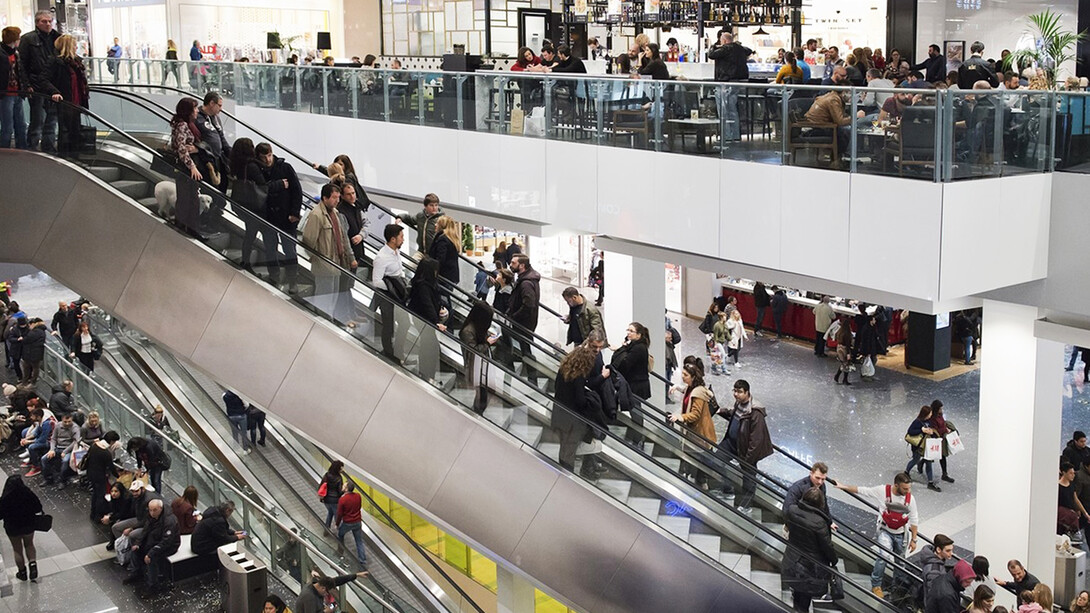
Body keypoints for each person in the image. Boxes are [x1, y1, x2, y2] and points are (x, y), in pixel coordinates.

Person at [834, 472, 920, 599]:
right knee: (883, 556)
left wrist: (914, 540)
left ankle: (897, 587)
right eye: (905, 488)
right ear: (896, 485)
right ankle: (876, 585)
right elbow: (863, 491)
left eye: (909, 488)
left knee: (900, 562)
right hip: (885, 530)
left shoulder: (910, 499)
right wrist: (844, 486)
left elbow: (914, 519)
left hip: (901, 533)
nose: (908, 491)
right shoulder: (883, 491)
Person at [302, 183, 357, 326]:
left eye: (338, 197)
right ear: (325, 198)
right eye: (334, 198)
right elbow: (308, 241)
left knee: (332, 298)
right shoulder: (316, 215)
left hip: (336, 263)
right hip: (324, 265)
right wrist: (317, 258)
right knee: (324, 299)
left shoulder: (336, 213)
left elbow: (342, 237)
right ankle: (322, 326)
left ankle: (329, 323)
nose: (337, 200)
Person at [716, 379, 772, 510]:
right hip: (731, 443)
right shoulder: (739, 403)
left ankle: (746, 505)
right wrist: (722, 411)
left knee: (748, 478)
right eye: (734, 391)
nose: (736, 394)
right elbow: (735, 415)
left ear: (747, 392)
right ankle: (727, 489)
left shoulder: (755, 412)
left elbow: (756, 440)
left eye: (739, 392)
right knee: (716, 459)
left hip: (745, 449)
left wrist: (748, 459)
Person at [782, 487, 838, 612]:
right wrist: (834, 560)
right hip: (811, 568)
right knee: (805, 598)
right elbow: (827, 547)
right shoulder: (819, 522)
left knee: (798, 595)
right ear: (820, 504)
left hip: (793, 560)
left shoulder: (792, 510)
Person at [256, 142, 302, 293]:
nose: (268, 160)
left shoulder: (285, 167)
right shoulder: (258, 170)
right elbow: (259, 189)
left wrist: (295, 213)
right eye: (264, 157)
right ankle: (274, 275)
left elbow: (296, 190)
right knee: (270, 248)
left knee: (290, 249)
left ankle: (292, 281)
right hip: (268, 216)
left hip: (286, 216)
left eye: (269, 155)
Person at [553, 345, 606, 476]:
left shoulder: (563, 370)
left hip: (559, 415)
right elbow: (580, 401)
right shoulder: (579, 376)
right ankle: (566, 477)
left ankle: (563, 475)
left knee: (565, 448)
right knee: (569, 451)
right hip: (573, 420)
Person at [667, 363, 716, 488]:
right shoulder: (691, 388)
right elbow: (686, 392)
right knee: (694, 455)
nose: (683, 377)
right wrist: (677, 387)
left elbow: (695, 414)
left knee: (700, 457)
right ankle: (694, 478)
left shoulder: (698, 393)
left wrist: (680, 417)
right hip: (694, 431)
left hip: (700, 433)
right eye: (683, 374)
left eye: (686, 375)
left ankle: (701, 481)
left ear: (693, 377)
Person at [19, 11, 60, 153]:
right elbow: (21, 64)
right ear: (37, 23)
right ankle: (33, 146)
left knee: (52, 119)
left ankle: (49, 146)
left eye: (50, 21)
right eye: (44, 21)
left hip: (53, 85)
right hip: (36, 84)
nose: (48, 24)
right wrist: (27, 84)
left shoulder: (58, 38)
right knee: (37, 119)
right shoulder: (28, 39)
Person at [127, 498, 180, 593]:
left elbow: (166, 541)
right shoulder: (152, 516)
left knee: (152, 558)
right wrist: (138, 543)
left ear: (160, 508)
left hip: (169, 545)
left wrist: (151, 553)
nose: (152, 513)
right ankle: (136, 572)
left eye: (154, 510)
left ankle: (153, 586)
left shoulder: (169, 520)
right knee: (135, 550)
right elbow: (146, 529)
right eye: (150, 510)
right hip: (154, 539)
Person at [407, 257, 447, 381]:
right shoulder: (423, 286)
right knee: (430, 346)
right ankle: (426, 374)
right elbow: (427, 304)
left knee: (429, 345)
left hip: (425, 319)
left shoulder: (426, 284)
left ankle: (426, 374)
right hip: (424, 320)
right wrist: (436, 322)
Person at [707, 30, 752, 141]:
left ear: (724, 41)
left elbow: (711, 55)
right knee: (733, 109)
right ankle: (735, 135)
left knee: (724, 109)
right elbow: (749, 50)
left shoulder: (725, 49)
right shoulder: (740, 48)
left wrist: (713, 46)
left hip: (726, 82)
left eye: (721, 41)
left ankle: (727, 135)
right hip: (738, 82)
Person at [168, 97, 203, 235]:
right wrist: (192, 166)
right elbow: (181, 148)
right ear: (188, 110)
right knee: (188, 199)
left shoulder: (183, 124)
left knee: (189, 198)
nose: (196, 111)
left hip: (185, 167)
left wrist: (195, 148)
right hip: (185, 168)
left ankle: (188, 227)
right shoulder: (182, 125)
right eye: (194, 108)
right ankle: (187, 228)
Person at [372, 224, 406, 362]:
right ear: (393, 239)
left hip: (398, 296)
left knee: (405, 324)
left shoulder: (396, 252)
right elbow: (376, 281)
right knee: (389, 326)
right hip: (387, 297)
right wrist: (392, 287)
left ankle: (398, 352)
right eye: (401, 237)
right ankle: (389, 353)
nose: (403, 239)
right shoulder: (382, 257)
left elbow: (399, 271)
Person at [0, 475, 42, 581]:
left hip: (12, 527)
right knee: (29, 544)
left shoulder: (5, 498)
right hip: (28, 524)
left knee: (17, 550)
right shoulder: (27, 493)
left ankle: (22, 572)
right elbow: (38, 507)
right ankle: (33, 565)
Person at [460, 300, 498, 412]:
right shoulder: (468, 331)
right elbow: (474, 351)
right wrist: (487, 343)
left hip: (481, 366)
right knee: (480, 394)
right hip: (474, 367)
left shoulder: (477, 328)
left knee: (483, 393)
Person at [111, 479, 161, 554]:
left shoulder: (148, 500)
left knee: (132, 534)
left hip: (149, 524)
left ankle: (132, 553)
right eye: (133, 491)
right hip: (139, 519)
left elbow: (147, 521)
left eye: (136, 491)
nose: (134, 493)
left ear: (142, 489)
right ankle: (125, 549)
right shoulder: (137, 497)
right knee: (115, 528)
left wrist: (131, 528)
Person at [783, 463, 835, 529]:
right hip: (796, 526)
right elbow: (787, 509)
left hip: (809, 525)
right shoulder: (798, 487)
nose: (820, 482)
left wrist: (829, 521)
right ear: (811, 473)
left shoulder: (822, 486)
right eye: (817, 478)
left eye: (823, 479)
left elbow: (824, 505)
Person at [507, 254, 541, 358]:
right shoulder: (526, 279)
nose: (510, 265)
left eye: (513, 263)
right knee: (525, 345)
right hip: (526, 320)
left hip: (524, 322)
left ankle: (531, 370)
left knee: (525, 347)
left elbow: (528, 305)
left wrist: (515, 315)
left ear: (522, 266)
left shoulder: (526, 283)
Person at [195, 91, 230, 189]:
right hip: (206, 160)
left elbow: (221, 136)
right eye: (219, 106)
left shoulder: (216, 118)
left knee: (223, 184)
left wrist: (230, 153)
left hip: (218, 158)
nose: (221, 109)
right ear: (211, 103)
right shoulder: (197, 117)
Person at [0, 27, 26, 150]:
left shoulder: (16, 53)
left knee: (21, 124)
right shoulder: (3, 54)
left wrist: (26, 86)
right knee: (7, 126)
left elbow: (21, 72)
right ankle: (4, 150)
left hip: (17, 93)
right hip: (5, 94)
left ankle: (22, 148)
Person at [905, 405, 942, 492]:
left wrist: (931, 432)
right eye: (930, 413)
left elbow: (930, 430)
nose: (931, 415)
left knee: (929, 463)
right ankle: (906, 472)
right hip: (918, 446)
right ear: (925, 414)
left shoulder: (929, 421)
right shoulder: (917, 422)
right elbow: (910, 431)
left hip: (927, 446)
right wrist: (921, 430)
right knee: (915, 460)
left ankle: (930, 482)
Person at [427, 215, 461, 306]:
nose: (435, 225)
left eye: (438, 223)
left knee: (442, 301)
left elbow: (440, 259)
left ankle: (446, 317)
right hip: (450, 276)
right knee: (445, 298)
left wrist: (433, 271)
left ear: (442, 226)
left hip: (443, 276)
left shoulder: (443, 239)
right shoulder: (451, 239)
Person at [86, 431, 120, 520]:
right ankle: (97, 515)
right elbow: (111, 467)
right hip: (100, 476)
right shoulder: (106, 453)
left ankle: (92, 513)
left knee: (95, 494)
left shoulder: (94, 445)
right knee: (100, 495)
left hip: (91, 473)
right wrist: (119, 476)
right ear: (112, 441)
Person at [43, 410, 80, 487]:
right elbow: (53, 439)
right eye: (65, 422)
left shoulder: (75, 428)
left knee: (65, 461)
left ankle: (62, 480)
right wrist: (52, 449)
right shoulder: (58, 426)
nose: (67, 424)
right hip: (58, 447)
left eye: (69, 421)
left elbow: (75, 442)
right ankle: (48, 478)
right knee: (44, 459)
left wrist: (65, 451)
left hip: (68, 449)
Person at [335, 480, 367, 566]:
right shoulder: (358, 496)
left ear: (346, 489)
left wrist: (337, 524)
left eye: (344, 486)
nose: (342, 486)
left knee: (340, 534)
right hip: (357, 521)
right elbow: (359, 507)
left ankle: (340, 551)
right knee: (359, 541)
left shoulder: (342, 499)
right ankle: (362, 560)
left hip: (347, 522)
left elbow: (340, 514)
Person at [919, 533, 957, 603]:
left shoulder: (933, 560)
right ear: (939, 550)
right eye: (948, 551)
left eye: (951, 550)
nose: (951, 553)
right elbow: (933, 595)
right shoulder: (934, 572)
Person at [927, 400, 957, 483]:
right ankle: (921, 463)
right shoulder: (932, 418)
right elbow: (935, 430)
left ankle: (944, 474)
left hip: (942, 439)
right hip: (936, 439)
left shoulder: (940, 415)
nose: (941, 410)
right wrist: (945, 430)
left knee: (942, 457)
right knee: (933, 456)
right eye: (940, 408)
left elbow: (943, 423)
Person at [17, 317, 45, 384]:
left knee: (29, 368)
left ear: (33, 324)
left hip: (31, 353)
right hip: (35, 353)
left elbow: (26, 340)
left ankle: (27, 382)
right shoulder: (40, 331)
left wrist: (23, 339)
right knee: (35, 368)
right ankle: (31, 381)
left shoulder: (36, 332)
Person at [320, 461, 345, 530]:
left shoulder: (327, 475)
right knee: (337, 516)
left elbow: (321, 485)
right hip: (335, 501)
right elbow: (339, 492)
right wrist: (344, 490)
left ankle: (326, 528)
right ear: (338, 469)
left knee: (330, 512)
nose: (342, 470)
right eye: (341, 468)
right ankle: (340, 531)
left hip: (326, 499)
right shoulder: (339, 478)